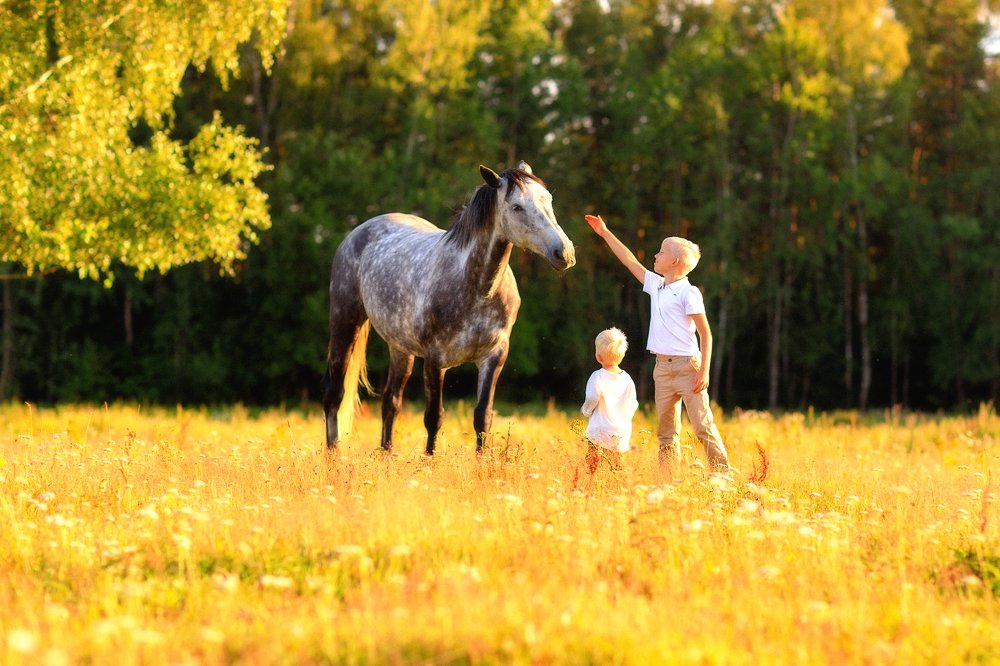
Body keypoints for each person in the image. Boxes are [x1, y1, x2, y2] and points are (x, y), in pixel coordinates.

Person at [585, 214, 731, 475]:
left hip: (689, 368)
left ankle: (723, 474)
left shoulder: (689, 292)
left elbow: (706, 334)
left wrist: (704, 371)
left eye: (661, 252)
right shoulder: (657, 285)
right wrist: (605, 232)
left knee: (702, 426)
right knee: (666, 433)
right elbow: (629, 260)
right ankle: (668, 479)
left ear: (674, 261)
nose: (655, 254)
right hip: (662, 369)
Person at [580, 327, 639, 476]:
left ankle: (592, 484)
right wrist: (623, 420)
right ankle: (617, 486)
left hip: (599, 431)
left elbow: (592, 397)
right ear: (622, 355)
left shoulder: (597, 376)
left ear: (598, 357)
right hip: (619, 432)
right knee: (617, 467)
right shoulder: (627, 379)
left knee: (592, 467)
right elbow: (633, 404)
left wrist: (586, 411)